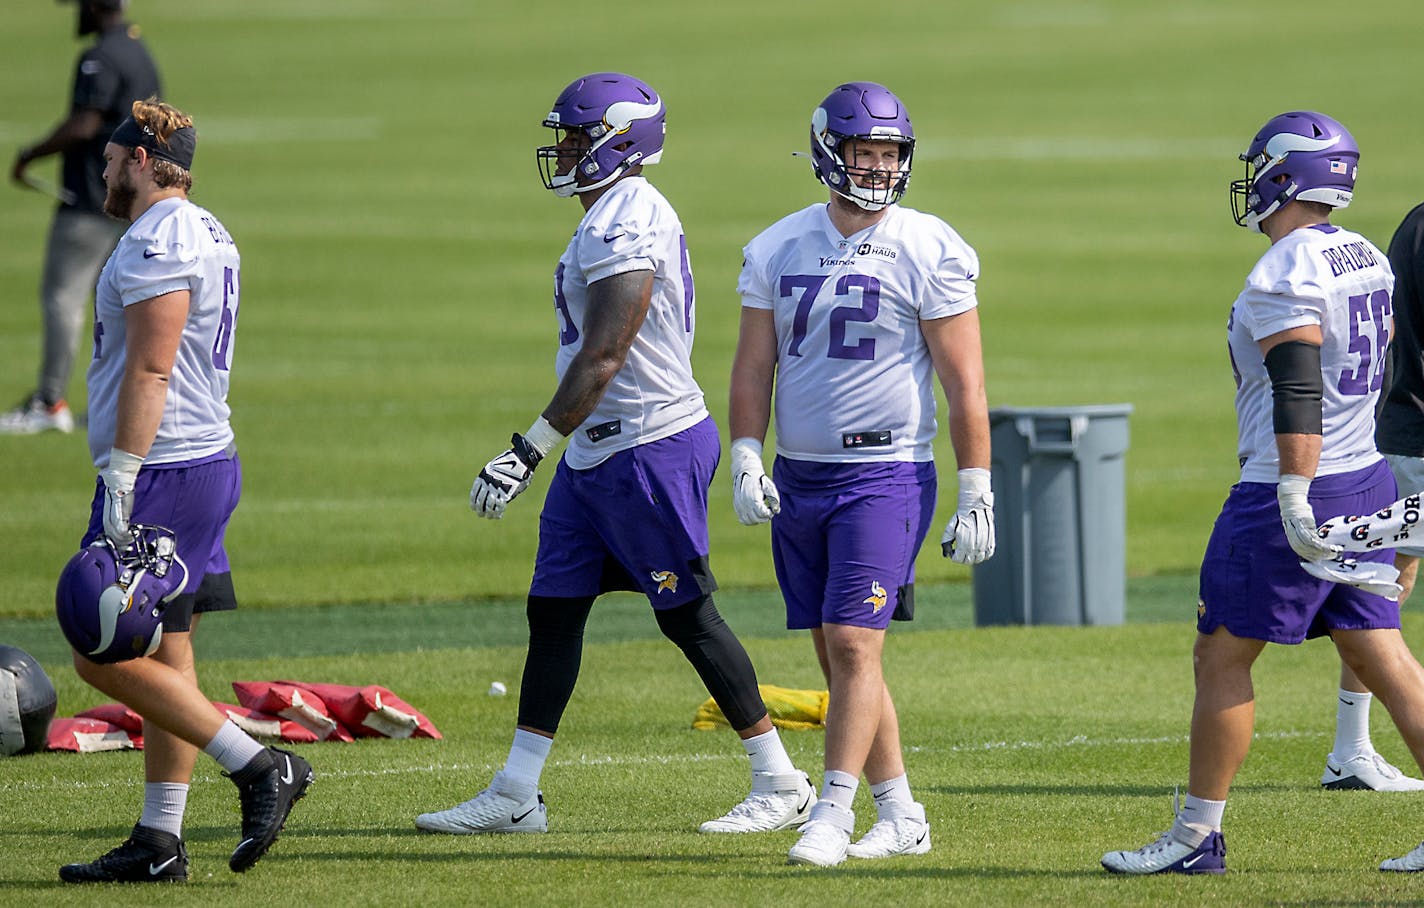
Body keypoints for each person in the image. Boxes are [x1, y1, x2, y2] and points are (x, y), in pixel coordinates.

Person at [414, 72, 813, 837]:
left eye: (575, 137)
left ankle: (780, 779)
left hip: (648, 444)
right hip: (602, 450)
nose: (562, 150)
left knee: (687, 615)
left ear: (619, 143)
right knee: (553, 613)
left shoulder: (626, 221)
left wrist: (524, 452)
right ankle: (518, 792)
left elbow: (603, 353)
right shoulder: (607, 215)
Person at [1101, 110, 1424, 875]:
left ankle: (1194, 837)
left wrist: (1291, 495)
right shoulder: (1364, 253)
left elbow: (1299, 391)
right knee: (1384, 654)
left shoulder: (1286, 271)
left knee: (1220, 657)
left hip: (1294, 488)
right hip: (1366, 471)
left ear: (1286, 175)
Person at [727, 81, 995, 868]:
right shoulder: (776, 245)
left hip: (886, 470)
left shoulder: (930, 245)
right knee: (837, 653)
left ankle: (830, 815)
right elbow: (753, 367)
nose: (878, 168)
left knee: (852, 642)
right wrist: (745, 451)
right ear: (827, 153)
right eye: (864, 152)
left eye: (890, 154)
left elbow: (965, 382)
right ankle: (901, 811)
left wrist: (977, 486)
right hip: (800, 474)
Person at [54, 98, 312, 884]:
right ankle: (160, 840)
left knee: (98, 650)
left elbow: (153, 367)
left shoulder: (158, 238)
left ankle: (258, 766)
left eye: (109, 156)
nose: (100, 167)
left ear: (139, 159)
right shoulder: (204, 227)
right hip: (198, 461)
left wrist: (123, 481)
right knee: (167, 645)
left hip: (164, 468)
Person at [4, 0, 160, 435]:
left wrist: (28, 155)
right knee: (117, 305)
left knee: (63, 299)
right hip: (130, 204)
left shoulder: (99, 58)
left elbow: (84, 124)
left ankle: (49, 401)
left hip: (89, 201)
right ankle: (124, 404)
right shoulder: (139, 51)